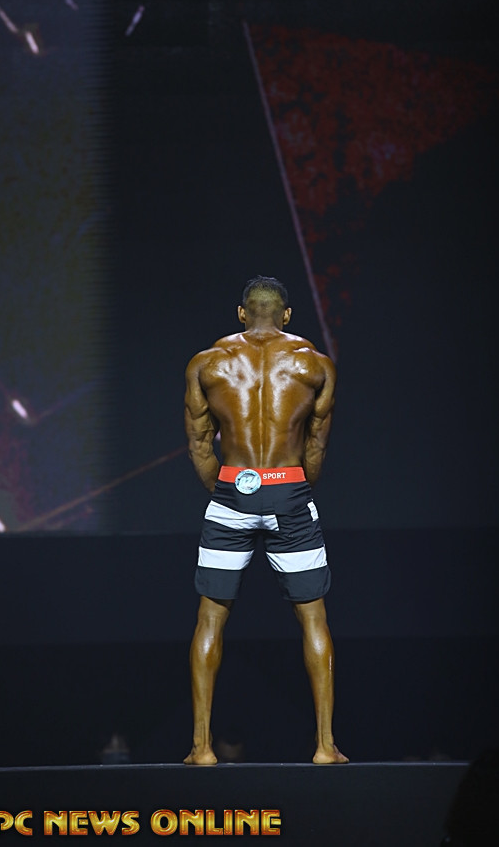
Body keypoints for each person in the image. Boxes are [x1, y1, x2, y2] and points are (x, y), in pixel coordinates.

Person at [183, 275, 348, 765]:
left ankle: (202, 748)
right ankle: (324, 746)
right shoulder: (314, 364)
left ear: (241, 313)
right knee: (313, 617)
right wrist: (290, 488)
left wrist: (229, 490)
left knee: (210, 618)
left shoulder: (207, 363)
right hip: (290, 493)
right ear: (287, 315)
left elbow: (199, 444)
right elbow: (316, 444)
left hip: (232, 490)